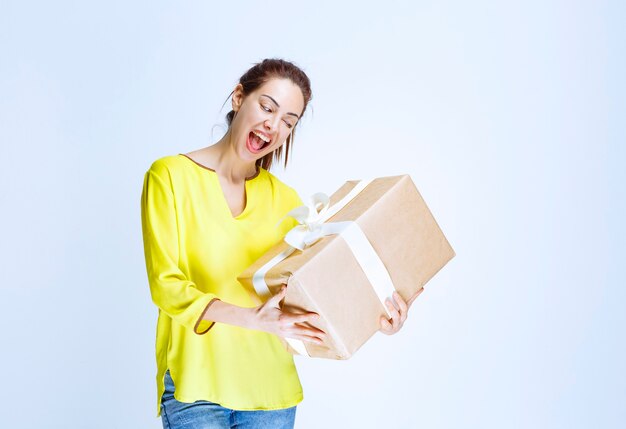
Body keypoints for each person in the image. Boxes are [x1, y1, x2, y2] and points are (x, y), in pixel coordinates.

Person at [140, 58, 422, 429]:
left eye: (288, 121)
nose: (273, 125)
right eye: (267, 107)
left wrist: (375, 316)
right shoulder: (170, 177)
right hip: (196, 390)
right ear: (239, 97)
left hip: (271, 394)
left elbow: (308, 295)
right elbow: (167, 287)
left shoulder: (287, 201)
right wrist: (253, 319)